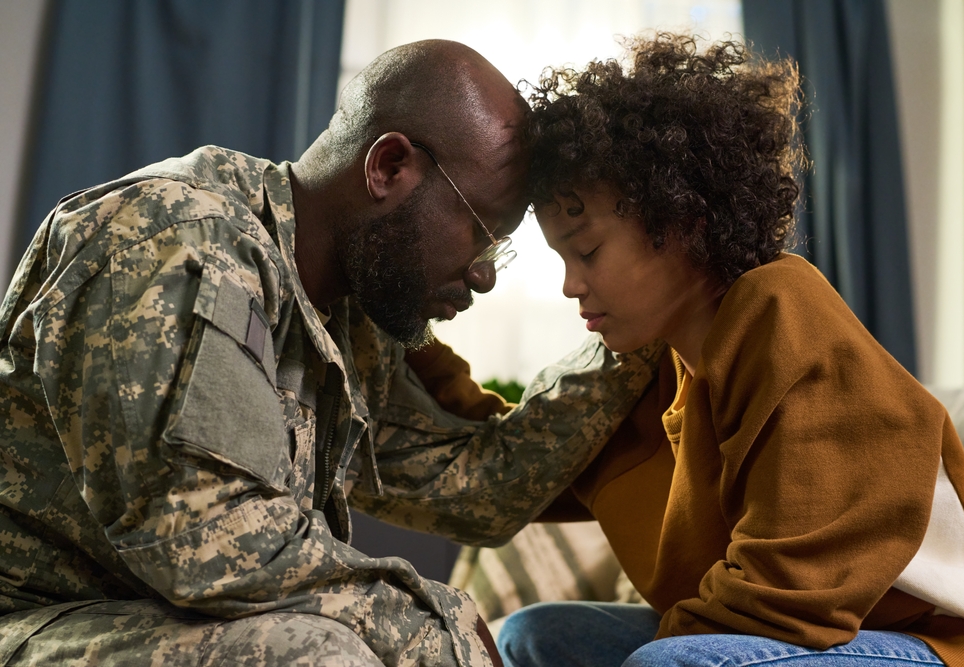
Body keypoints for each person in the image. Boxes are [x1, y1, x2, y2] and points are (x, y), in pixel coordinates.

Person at [0, 40, 662, 666]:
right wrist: (438, 629)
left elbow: (469, 487)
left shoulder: (351, 317)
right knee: (319, 653)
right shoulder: (174, 241)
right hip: (35, 616)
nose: (485, 273)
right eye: (483, 232)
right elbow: (209, 543)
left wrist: (639, 328)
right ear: (389, 167)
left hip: (150, 619)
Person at [493, 33, 964, 667]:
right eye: (562, 259)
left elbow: (789, 593)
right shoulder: (650, 366)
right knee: (534, 635)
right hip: (807, 629)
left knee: (667, 664)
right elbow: (514, 467)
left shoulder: (782, 308)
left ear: (683, 223)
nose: (572, 285)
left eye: (586, 250)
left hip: (943, 637)